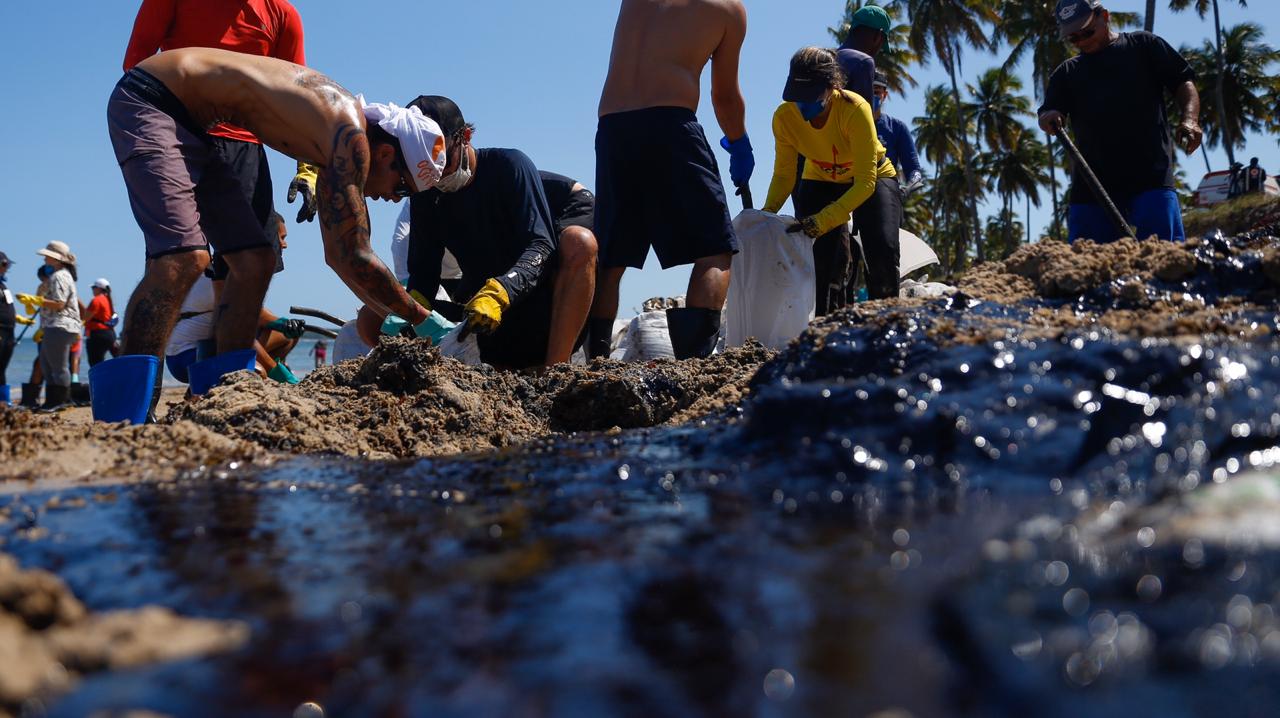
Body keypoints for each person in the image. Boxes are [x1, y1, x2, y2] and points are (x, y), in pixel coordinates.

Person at [105, 48, 446, 406]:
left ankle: (222, 396)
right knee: (184, 259)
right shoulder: (350, 136)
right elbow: (357, 255)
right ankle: (124, 413)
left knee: (255, 261)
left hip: (202, 126)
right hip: (153, 98)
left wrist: (393, 312)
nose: (395, 199)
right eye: (403, 187)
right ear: (387, 155)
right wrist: (423, 317)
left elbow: (341, 259)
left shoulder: (337, 144)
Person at [590, 0, 752, 360]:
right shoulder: (728, 8)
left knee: (611, 259)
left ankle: (596, 363)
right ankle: (693, 367)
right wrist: (739, 142)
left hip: (613, 129)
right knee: (715, 249)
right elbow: (724, 97)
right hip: (670, 126)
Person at [394, 95, 598, 369]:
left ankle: (555, 373)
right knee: (375, 316)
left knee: (580, 242)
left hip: (538, 306)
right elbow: (424, 271)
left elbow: (540, 244)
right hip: (487, 322)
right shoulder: (426, 195)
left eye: (443, 162)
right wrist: (408, 307)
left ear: (465, 136)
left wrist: (502, 291)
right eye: (424, 167)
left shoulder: (508, 166)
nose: (437, 176)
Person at [123, 0, 316, 231]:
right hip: (179, 139)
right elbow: (136, 70)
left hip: (245, 148)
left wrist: (308, 169)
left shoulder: (283, 14)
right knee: (182, 258)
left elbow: (295, 98)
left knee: (257, 261)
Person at [1038, 0, 1201, 243]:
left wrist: (1190, 120)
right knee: (1085, 264)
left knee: (1166, 256)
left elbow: (1183, 83)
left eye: (1088, 32)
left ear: (1104, 15)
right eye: (1074, 38)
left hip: (1150, 177)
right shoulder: (1066, 73)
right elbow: (1048, 112)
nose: (1082, 41)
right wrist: (1049, 117)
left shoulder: (1144, 45)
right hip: (1093, 186)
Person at [763, 47, 901, 313]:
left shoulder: (854, 109)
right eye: (796, 98)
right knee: (820, 260)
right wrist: (767, 215)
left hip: (873, 176)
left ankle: (886, 321)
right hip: (821, 177)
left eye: (809, 97)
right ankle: (822, 327)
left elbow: (865, 183)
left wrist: (825, 220)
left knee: (882, 250)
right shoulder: (784, 118)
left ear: (832, 88)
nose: (802, 105)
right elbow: (784, 175)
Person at [30, 242, 81, 411]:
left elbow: (59, 304)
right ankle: (52, 400)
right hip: (56, 326)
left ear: (56, 259)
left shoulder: (59, 276)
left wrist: (38, 301)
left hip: (60, 325)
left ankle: (61, 400)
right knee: (46, 364)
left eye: (47, 256)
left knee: (58, 367)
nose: (44, 258)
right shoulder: (62, 274)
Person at [871, 71, 924, 201]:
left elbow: (913, 169)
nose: (871, 96)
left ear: (885, 95)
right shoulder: (847, 124)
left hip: (885, 193)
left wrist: (909, 186)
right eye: (867, 91)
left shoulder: (897, 128)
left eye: (876, 92)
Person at [835, 4, 890, 105]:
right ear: (878, 36)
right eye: (881, 45)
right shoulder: (863, 62)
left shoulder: (823, 58)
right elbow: (863, 118)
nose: (878, 51)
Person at [0, 251, 24, 405]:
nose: (6, 267)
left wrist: (20, 319)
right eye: (4, 264)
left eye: (7, 264)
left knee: (2, 367)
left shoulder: (3, 285)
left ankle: (3, 400)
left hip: (9, 331)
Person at [85, 278, 120, 367]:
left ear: (99, 288)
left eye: (93, 287)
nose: (92, 290)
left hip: (98, 334)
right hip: (109, 334)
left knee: (95, 363)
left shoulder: (96, 300)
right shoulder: (108, 301)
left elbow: (86, 317)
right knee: (118, 358)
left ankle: (99, 380)